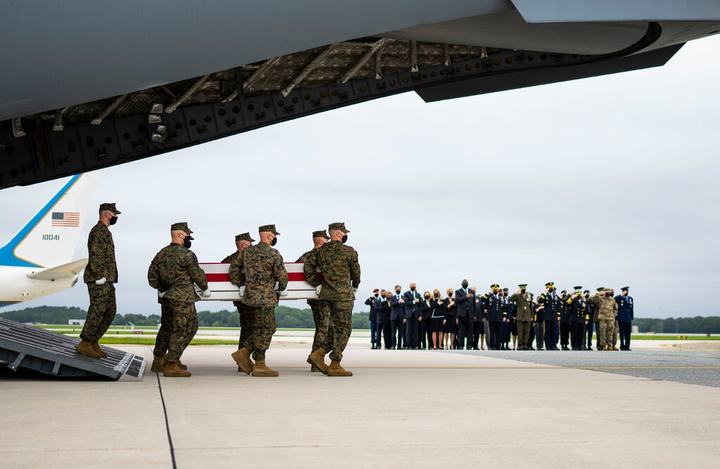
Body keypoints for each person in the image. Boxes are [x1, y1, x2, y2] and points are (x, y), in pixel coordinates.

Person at [148, 222, 210, 377]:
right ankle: (171, 363)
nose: (189, 238)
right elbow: (197, 275)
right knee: (187, 327)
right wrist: (204, 287)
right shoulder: (187, 254)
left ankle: (159, 360)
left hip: (166, 298)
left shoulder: (161, 254)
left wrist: (162, 289)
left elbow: (151, 276)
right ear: (181, 235)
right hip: (183, 298)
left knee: (167, 328)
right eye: (188, 235)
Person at [229, 224, 288, 377]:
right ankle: (248, 354)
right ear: (269, 236)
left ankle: (258, 361)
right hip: (266, 297)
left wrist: (241, 284)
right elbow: (282, 276)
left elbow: (233, 270)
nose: (275, 238)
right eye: (274, 235)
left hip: (249, 297)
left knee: (258, 328)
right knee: (269, 328)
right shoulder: (273, 253)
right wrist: (281, 288)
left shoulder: (246, 252)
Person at [305, 222, 361, 377]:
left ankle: (318, 354)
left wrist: (317, 283)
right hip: (343, 296)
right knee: (344, 329)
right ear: (339, 234)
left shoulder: (320, 251)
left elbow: (308, 268)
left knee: (333, 329)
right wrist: (355, 286)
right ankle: (335, 363)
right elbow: (356, 273)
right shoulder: (349, 251)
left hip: (326, 295)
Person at [76, 203, 121, 359]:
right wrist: (99, 275)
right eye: (115, 214)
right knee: (98, 310)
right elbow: (95, 254)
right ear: (107, 214)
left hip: (107, 279)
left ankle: (93, 341)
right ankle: (85, 342)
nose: (116, 217)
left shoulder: (105, 232)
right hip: (99, 279)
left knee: (110, 311)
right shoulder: (98, 231)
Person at [297, 230, 332, 372]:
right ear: (321, 240)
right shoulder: (326, 255)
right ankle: (316, 360)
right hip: (323, 297)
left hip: (314, 298)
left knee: (321, 328)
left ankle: (315, 359)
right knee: (324, 328)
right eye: (326, 240)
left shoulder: (306, 256)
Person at [222, 232, 255, 372]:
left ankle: (243, 359)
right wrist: (242, 284)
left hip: (241, 298)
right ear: (242, 244)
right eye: (249, 244)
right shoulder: (247, 257)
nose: (251, 246)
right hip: (250, 297)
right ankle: (244, 357)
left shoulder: (228, 259)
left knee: (247, 328)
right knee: (254, 327)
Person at [537, 282, 561, 351]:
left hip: (554, 316)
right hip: (547, 316)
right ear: (547, 288)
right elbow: (540, 300)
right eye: (549, 287)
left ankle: (553, 345)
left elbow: (559, 305)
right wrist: (544, 293)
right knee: (547, 331)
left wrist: (558, 314)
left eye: (551, 287)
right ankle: (548, 345)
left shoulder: (555, 296)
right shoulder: (545, 295)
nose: (551, 289)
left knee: (554, 331)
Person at [510, 284, 533, 350]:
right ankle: (520, 345)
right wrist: (516, 293)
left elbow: (531, 306)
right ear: (520, 289)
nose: (523, 290)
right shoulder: (517, 296)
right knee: (520, 332)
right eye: (522, 289)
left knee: (527, 331)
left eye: (524, 289)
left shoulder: (529, 295)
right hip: (520, 316)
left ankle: (525, 344)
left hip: (528, 316)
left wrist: (532, 316)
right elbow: (511, 299)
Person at [567, 286, 588, 351]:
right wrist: (572, 297)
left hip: (581, 319)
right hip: (574, 319)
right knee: (574, 334)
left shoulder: (583, 300)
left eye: (580, 293)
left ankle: (580, 345)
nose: (579, 294)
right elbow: (567, 303)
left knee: (581, 333)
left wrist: (586, 319)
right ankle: (574, 346)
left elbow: (587, 311)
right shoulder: (573, 300)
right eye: (577, 293)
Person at [455, 279, 474, 350]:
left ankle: (469, 345)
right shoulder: (458, 291)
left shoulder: (471, 291)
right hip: (461, 314)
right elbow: (457, 300)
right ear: (461, 284)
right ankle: (461, 345)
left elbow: (474, 303)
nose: (465, 283)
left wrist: (474, 314)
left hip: (470, 314)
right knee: (461, 331)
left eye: (466, 282)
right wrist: (466, 297)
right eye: (464, 282)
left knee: (470, 331)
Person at [483, 284, 503, 350]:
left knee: (499, 332)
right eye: (494, 290)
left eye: (496, 290)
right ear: (492, 290)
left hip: (499, 317)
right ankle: (491, 345)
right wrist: (488, 295)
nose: (495, 291)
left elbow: (503, 308)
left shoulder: (501, 297)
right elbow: (483, 300)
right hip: (492, 318)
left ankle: (498, 345)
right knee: (492, 332)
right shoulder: (489, 297)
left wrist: (504, 316)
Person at [403, 282, 422, 349]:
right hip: (409, 314)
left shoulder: (418, 294)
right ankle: (408, 345)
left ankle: (415, 344)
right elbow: (406, 303)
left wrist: (420, 315)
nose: (413, 286)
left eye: (414, 285)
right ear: (410, 286)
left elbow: (420, 306)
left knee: (415, 330)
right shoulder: (406, 294)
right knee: (408, 330)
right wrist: (414, 301)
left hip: (416, 314)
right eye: (412, 285)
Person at [615, 286, 634, 351]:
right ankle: (622, 346)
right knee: (622, 333)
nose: (626, 292)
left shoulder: (630, 298)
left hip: (628, 318)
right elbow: (614, 299)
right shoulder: (619, 298)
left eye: (626, 291)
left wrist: (631, 317)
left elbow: (631, 309)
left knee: (628, 333)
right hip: (621, 318)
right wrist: (621, 295)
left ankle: (627, 346)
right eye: (624, 291)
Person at [390, 285, 404, 350]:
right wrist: (398, 302)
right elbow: (391, 304)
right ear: (395, 290)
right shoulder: (392, 297)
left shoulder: (403, 297)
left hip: (401, 317)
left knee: (400, 333)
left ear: (401, 289)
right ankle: (393, 345)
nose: (398, 290)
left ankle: (399, 346)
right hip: (394, 317)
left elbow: (405, 308)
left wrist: (405, 317)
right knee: (393, 332)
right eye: (397, 289)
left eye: (399, 289)